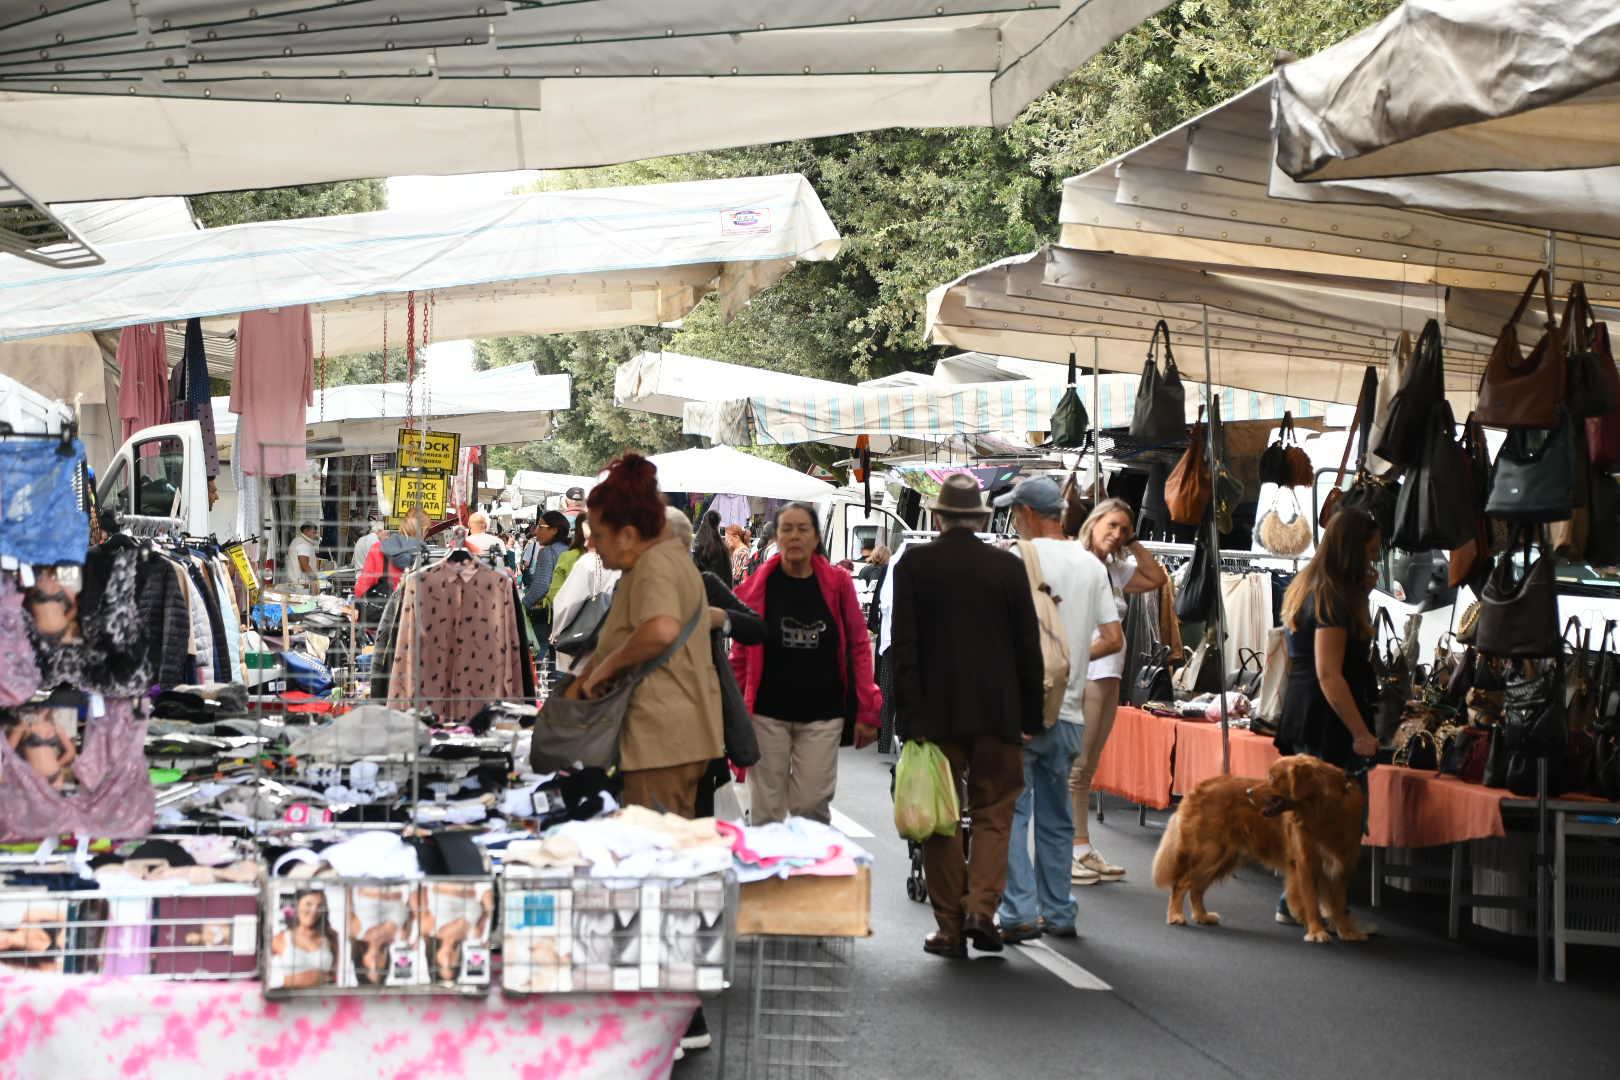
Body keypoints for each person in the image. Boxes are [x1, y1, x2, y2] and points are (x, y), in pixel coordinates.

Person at [890, 474, 1044, 958]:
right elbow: (1028, 648)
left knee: (941, 819)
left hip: (935, 717)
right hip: (999, 713)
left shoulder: (915, 564)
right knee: (996, 812)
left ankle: (950, 927)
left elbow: (904, 648)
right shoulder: (1006, 567)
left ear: (937, 517)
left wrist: (906, 716)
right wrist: (1032, 715)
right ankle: (982, 909)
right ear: (978, 520)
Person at [989, 476, 1124, 942]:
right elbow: (1114, 638)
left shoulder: (1014, 559)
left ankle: (1019, 911)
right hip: (1068, 711)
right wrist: (1070, 657)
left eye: (1015, 512)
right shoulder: (1090, 566)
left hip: (1021, 710)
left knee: (1012, 813)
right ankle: (1060, 911)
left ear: (1027, 513)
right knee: (1057, 817)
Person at [569, 454, 723, 817]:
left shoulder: (656, 564)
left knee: (656, 848)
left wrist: (603, 672)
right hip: (667, 736)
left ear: (626, 534)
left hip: (662, 739)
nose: (591, 545)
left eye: (598, 535)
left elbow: (661, 629)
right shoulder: (656, 562)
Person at [731, 503, 881, 825]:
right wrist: (729, 711)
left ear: (815, 538)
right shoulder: (760, 585)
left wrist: (868, 708)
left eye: (803, 529)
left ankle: (809, 874)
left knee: (811, 806)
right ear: (777, 537)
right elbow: (741, 654)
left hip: (822, 715)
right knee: (766, 811)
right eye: (787, 529)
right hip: (766, 714)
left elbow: (858, 646)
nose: (795, 536)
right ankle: (770, 875)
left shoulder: (837, 583)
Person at [1275, 506, 1382, 925]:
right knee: (1332, 820)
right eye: (1371, 550)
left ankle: (1302, 903)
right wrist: (1360, 732)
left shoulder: (1311, 587)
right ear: (1354, 549)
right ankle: (1320, 908)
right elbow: (1328, 673)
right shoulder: (1332, 598)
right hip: (1327, 722)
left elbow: (1304, 661)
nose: (1375, 557)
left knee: (1309, 819)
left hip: (1306, 713)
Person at [1070, 498, 1169, 886]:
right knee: (1078, 767)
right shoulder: (1078, 563)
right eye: (1110, 526)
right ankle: (1071, 850)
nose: (1116, 535)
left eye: (1123, 529)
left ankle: (1081, 847)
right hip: (1091, 672)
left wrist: (1134, 542)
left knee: (1088, 766)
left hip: (1110, 674)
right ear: (1093, 524)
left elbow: (1157, 578)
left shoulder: (1114, 568)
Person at [548, 526, 620, 677]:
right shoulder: (629, 561)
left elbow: (567, 604)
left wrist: (556, 632)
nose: (586, 544)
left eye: (589, 539)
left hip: (585, 644)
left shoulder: (588, 562)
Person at [270, 889, 339, 990]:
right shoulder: (281, 938)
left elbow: (335, 975)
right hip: (291, 1000)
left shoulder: (331, 937)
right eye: (308, 904)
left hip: (323, 999)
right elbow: (266, 975)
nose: (314, 911)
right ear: (297, 905)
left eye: (319, 906)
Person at [353, 509, 430, 598]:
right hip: (413, 609)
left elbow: (361, 589)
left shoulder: (378, 549)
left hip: (384, 609)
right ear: (424, 531)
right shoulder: (426, 555)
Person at [523, 511, 572, 645]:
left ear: (554, 530)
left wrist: (523, 604)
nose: (535, 531)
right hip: (569, 613)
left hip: (548, 615)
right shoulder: (568, 549)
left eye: (540, 526)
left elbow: (541, 586)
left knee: (541, 650)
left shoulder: (547, 552)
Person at [693, 510, 732, 584]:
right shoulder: (722, 547)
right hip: (719, 591)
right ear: (717, 524)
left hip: (704, 591)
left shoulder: (698, 544)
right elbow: (728, 576)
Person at [285, 522, 321, 592]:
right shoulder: (303, 543)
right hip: (300, 584)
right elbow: (304, 566)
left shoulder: (298, 540)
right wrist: (315, 581)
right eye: (313, 532)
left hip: (296, 582)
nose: (315, 535)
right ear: (306, 531)